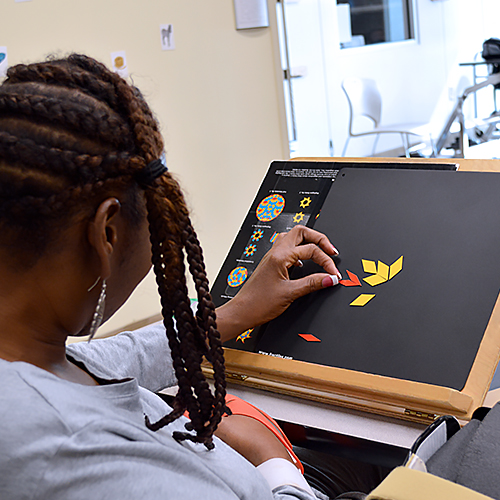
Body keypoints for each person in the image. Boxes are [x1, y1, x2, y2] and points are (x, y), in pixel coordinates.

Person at [0, 54, 344, 499]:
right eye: (156, 224)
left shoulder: (30, 351)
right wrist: (270, 459)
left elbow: (118, 357)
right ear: (108, 232)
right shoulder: (76, 453)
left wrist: (236, 311)